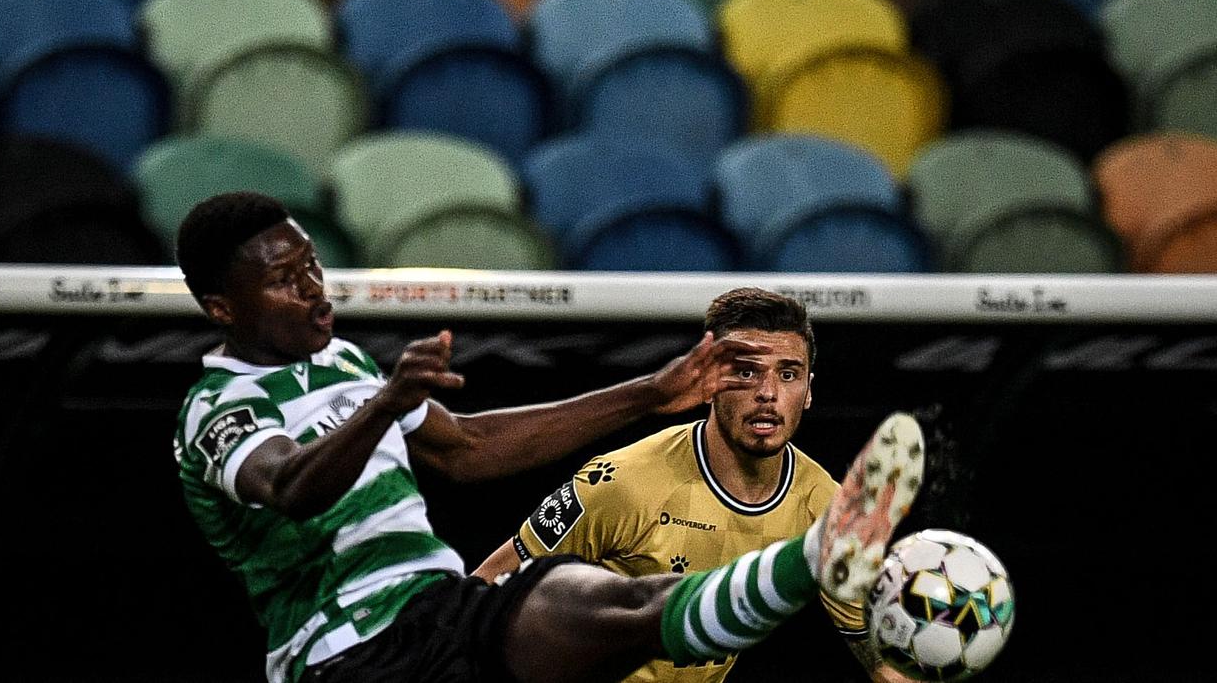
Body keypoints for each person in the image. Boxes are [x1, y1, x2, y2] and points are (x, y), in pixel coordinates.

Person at [171, 191, 925, 683]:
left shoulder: (343, 362)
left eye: (312, 265)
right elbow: (292, 489)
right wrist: (385, 402)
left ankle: (811, 558)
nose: (313, 289)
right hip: (343, 657)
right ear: (222, 308)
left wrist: (649, 393)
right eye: (283, 280)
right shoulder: (216, 408)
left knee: (617, 603)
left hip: (441, 609)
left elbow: (466, 449)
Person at [473, 287, 913, 683]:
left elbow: (878, 657)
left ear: (809, 391)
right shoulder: (621, 482)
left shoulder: (823, 504)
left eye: (787, 374)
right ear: (709, 385)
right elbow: (482, 589)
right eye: (745, 372)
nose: (767, 393)